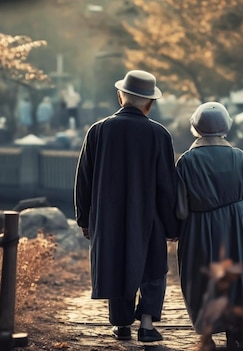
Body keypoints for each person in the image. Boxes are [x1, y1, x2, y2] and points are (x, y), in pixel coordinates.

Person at [74, 70, 179, 343]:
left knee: (116, 263)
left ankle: (121, 325)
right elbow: (167, 186)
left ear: (121, 97)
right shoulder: (159, 134)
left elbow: (83, 180)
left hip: (108, 217)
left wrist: (84, 219)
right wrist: (171, 224)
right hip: (150, 216)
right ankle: (146, 325)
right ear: (149, 103)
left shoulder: (98, 131)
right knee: (153, 268)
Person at [175, 102, 243, 348]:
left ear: (196, 128)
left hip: (199, 226)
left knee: (201, 278)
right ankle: (234, 334)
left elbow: (180, 209)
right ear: (226, 127)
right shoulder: (239, 157)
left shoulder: (187, 161)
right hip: (236, 224)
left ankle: (207, 335)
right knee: (236, 277)